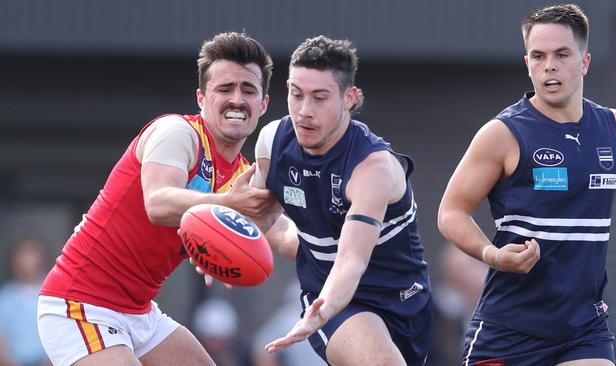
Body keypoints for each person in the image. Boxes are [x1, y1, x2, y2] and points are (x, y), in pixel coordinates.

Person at [37, 32, 276, 366]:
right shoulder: (177, 133)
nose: (237, 99)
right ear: (201, 97)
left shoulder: (243, 175)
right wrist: (227, 206)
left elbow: (278, 233)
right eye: (225, 89)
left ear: (263, 103)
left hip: (138, 312)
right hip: (80, 303)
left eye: (248, 90)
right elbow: (158, 203)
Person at [437, 4, 616, 365]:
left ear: (584, 63)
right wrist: (493, 255)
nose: (549, 65)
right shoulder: (503, 134)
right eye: (539, 55)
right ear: (528, 64)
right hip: (509, 329)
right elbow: (450, 212)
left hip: (585, 329)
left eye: (562, 54)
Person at [253, 35, 433, 366]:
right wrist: (218, 240)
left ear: (349, 97)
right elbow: (260, 217)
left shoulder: (371, 167)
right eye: (296, 95)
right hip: (332, 301)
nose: (304, 111)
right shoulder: (272, 142)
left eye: (319, 98)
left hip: (404, 301)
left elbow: (351, 259)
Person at [0, 238, 51, 366]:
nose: (27, 261)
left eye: (32, 254)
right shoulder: (6, 297)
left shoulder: (52, 295)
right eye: (23, 255)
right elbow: (2, 340)